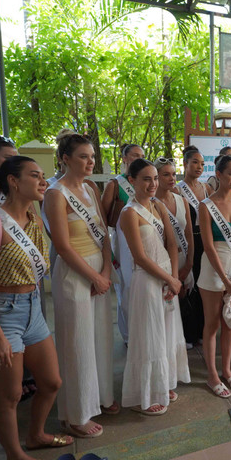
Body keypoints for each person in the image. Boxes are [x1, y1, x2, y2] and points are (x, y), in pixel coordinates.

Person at [0, 156, 68, 460]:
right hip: (2, 311)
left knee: (51, 382)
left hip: (32, 309)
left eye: (43, 176)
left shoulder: (34, 217)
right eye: (35, 176)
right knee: (9, 394)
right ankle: (14, 456)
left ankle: (36, 434)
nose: (43, 181)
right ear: (13, 181)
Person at [44, 134, 118, 438]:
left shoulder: (90, 188)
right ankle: (76, 413)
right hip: (74, 273)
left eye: (91, 156)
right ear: (65, 158)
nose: (90, 162)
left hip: (98, 270)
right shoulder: (55, 193)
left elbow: (103, 234)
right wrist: (94, 276)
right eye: (83, 157)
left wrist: (105, 270)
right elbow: (61, 245)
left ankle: (100, 396)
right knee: (77, 343)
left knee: (100, 337)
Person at [117, 159, 190, 416]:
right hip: (146, 281)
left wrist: (173, 277)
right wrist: (171, 280)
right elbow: (140, 257)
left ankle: (163, 383)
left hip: (167, 280)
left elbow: (172, 244)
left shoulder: (158, 205)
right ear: (132, 181)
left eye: (155, 179)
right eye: (146, 179)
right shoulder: (129, 213)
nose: (152, 184)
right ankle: (143, 395)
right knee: (148, 338)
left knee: (166, 335)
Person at [198, 155, 231, 398]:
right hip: (213, 270)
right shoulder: (205, 205)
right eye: (230, 173)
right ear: (218, 175)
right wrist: (225, 279)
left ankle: (227, 370)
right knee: (212, 324)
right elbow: (208, 246)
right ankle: (212, 375)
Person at [102, 143, 145, 344]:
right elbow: (103, 218)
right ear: (124, 159)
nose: (138, 158)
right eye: (135, 155)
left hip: (143, 240)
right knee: (125, 289)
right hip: (121, 243)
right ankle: (129, 336)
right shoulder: (115, 185)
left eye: (142, 155)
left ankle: (141, 332)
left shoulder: (145, 182)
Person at [175, 146, 212, 346]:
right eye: (195, 162)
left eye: (202, 163)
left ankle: (201, 330)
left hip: (205, 240)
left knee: (203, 285)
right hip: (187, 240)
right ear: (186, 164)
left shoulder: (206, 188)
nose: (199, 167)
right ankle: (187, 333)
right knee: (188, 286)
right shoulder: (178, 189)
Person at [154, 157, 194, 336]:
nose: (171, 178)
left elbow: (189, 235)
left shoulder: (181, 201)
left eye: (173, 174)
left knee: (184, 300)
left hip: (184, 258)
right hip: (162, 262)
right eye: (165, 175)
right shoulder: (151, 203)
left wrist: (189, 264)